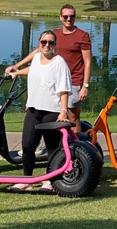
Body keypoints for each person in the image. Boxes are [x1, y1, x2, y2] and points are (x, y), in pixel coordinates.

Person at [7, 4, 92, 133]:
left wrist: (85, 86)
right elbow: (38, 51)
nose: (69, 19)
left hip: (74, 82)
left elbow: (87, 62)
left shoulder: (82, 36)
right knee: (49, 115)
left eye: (72, 16)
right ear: (60, 17)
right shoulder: (55, 34)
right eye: (66, 16)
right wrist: (17, 66)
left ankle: (78, 148)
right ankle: (49, 145)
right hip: (53, 82)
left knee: (73, 117)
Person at [7, 30, 71, 192]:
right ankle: (27, 179)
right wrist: (17, 73)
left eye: (50, 43)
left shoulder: (59, 62)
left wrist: (63, 110)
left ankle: (50, 181)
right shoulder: (36, 58)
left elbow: (63, 89)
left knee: (52, 147)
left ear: (55, 45)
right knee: (28, 146)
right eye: (44, 42)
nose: (47, 45)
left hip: (52, 110)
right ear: (39, 44)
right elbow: (33, 71)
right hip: (34, 109)